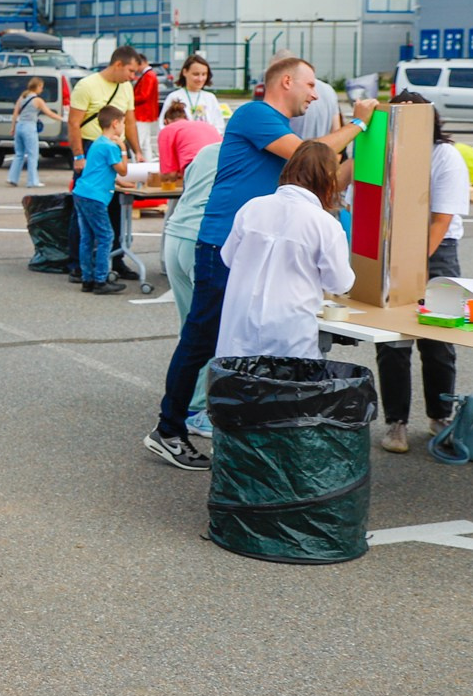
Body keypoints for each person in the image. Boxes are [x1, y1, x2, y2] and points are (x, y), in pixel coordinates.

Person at [146, 55, 376, 470]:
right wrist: (358, 124)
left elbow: (326, 179)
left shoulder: (279, 128)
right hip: (222, 245)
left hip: (246, 248)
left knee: (237, 341)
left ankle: (235, 426)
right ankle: (169, 429)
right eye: (310, 86)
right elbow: (312, 154)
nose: (314, 94)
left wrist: (366, 151)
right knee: (203, 339)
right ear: (286, 81)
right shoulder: (256, 115)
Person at [374, 92, 471, 454]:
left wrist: (414, 267)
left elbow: (441, 221)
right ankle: (395, 422)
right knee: (393, 342)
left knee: (438, 340)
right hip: (394, 246)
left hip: (437, 251)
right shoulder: (386, 151)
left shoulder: (444, 155)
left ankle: (440, 415)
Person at [216, 142, 354, 359]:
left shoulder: (252, 207)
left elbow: (229, 258)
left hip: (240, 325)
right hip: (290, 332)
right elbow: (339, 283)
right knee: (288, 390)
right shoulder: (324, 223)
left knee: (239, 387)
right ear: (327, 177)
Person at [66, 47, 141, 279]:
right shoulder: (87, 85)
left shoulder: (126, 87)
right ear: (118, 64)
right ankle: (78, 265)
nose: (133, 76)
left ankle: (115, 259)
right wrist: (79, 156)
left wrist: (137, 151)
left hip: (115, 145)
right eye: (130, 70)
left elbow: (129, 122)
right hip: (91, 146)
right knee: (86, 206)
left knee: (116, 205)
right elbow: (74, 123)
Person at [163, 144, 221, 438]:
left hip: (174, 234)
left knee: (189, 326)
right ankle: (198, 408)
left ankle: (184, 402)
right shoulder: (252, 156)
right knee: (209, 330)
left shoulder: (207, 151)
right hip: (202, 239)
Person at [72, 107, 134, 294]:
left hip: (82, 192)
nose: (123, 126)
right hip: (95, 197)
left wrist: (118, 181)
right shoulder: (110, 146)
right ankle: (101, 279)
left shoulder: (97, 143)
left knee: (87, 237)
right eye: (123, 123)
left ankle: (87, 278)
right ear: (115, 124)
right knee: (106, 236)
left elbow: (99, 170)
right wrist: (123, 149)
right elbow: (123, 169)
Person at [159, 53, 224, 131]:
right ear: (185, 72)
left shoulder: (210, 98)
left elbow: (219, 125)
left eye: (204, 74)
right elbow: (163, 127)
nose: (200, 79)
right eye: (196, 74)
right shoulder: (174, 97)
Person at [7, 78, 53, 189]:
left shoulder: (22, 97)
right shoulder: (37, 100)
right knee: (33, 155)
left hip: (19, 125)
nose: (41, 89)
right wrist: (62, 118)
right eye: (41, 87)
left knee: (19, 154)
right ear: (37, 87)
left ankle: (12, 178)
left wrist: (13, 127)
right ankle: (32, 181)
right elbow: (49, 113)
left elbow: (15, 113)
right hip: (29, 127)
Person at [157, 102, 221, 177]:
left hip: (197, 167)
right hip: (223, 165)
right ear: (186, 118)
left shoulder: (167, 130)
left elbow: (169, 174)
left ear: (166, 121)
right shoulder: (206, 125)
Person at [131, 55, 161, 162]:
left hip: (142, 113)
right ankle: (147, 167)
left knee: (137, 143)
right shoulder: (150, 75)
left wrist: (130, 99)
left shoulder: (148, 76)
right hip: (147, 113)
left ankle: (137, 168)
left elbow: (144, 95)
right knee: (145, 144)